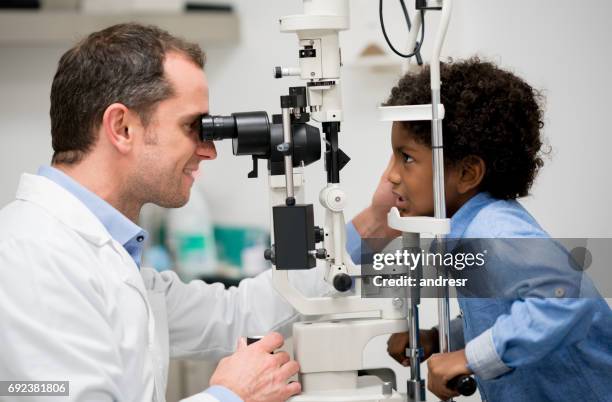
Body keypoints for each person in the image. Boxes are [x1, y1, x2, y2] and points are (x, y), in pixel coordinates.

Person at [0, 23, 332, 402]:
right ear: (122, 127)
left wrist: (367, 229)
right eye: (194, 126)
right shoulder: (30, 256)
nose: (209, 150)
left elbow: (235, 314)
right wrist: (229, 396)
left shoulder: (110, 255)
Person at [352, 58, 612, 401]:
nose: (392, 175)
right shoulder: (466, 233)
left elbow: (565, 298)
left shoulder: (493, 228)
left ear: (467, 173)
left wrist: (468, 358)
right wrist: (441, 338)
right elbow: (502, 312)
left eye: (406, 157)